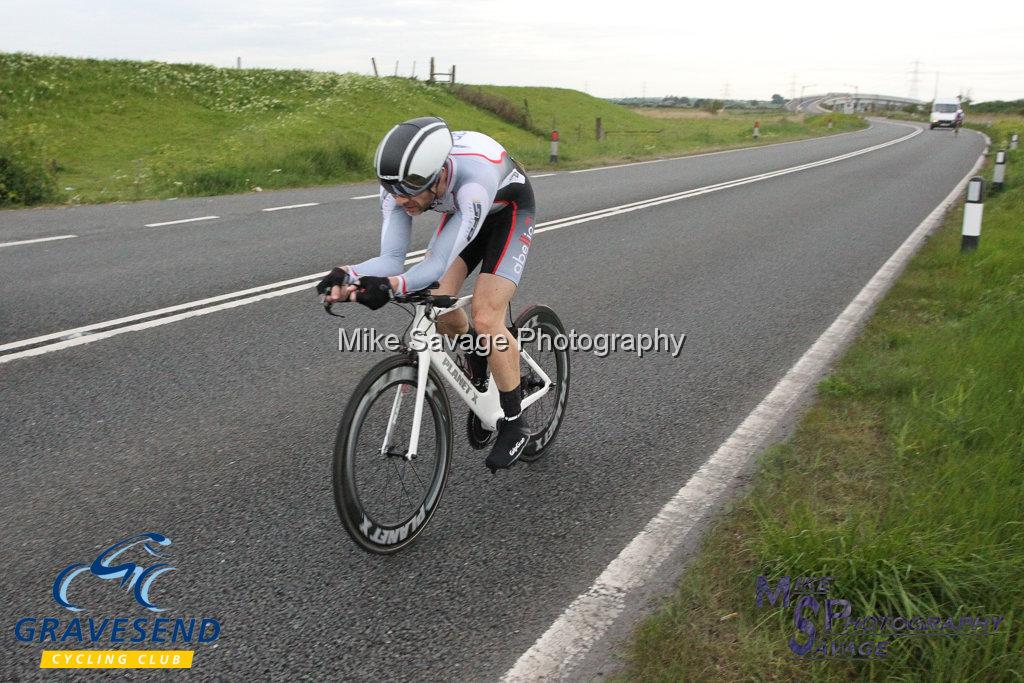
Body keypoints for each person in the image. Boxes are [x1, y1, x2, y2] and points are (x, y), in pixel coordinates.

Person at [317, 116, 537, 472]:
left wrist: (388, 288)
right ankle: (477, 353)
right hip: (463, 217)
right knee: (441, 306)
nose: (401, 200)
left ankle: (515, 423)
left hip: (508, 211)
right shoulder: (399, 187)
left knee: (485, 316)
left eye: (409, 191)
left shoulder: (471, 184)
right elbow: (391, 260)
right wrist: (349, 274)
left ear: (440, 177)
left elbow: (433, 267)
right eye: (393, 191)